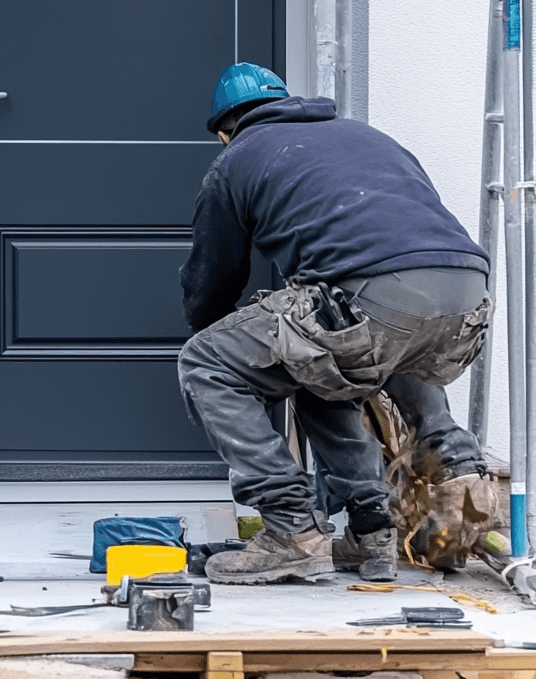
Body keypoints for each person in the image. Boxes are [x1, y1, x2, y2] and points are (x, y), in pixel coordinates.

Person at [177, 62, 496, 584]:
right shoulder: (366, 136)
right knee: (326, 359)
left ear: (224, 130)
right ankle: (426, 526)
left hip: (375, 296)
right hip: (467, 299)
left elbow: (214, 282)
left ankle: (291, 532)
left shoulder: (237, 159)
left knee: (207, 361)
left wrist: (218, 339)